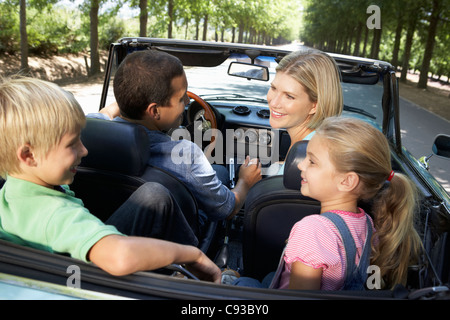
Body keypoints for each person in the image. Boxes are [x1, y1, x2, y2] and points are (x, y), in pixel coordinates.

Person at [0, 76, 221, 282]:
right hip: (86, 281)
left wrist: (119, 107)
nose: (84, 150)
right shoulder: (54, 216)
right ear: (28, 155)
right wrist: (192, 255)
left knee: (154, 195)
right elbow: (121, 256)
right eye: (72, 144)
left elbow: (105, 112)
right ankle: (189, 275)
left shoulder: (14, 189)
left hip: (67, 270)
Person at [234, 117, 422, 290]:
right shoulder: (367, 222)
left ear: (347, 181)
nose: (300, 165)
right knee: (268, 278)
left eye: (312, 161)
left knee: (242, 283)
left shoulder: (312, 230)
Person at [90, 50, 261, 232]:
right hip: (178, 236)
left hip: (106, 222)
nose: (188, 101)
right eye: (181, 98)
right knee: (219, 170)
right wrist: (245, 181)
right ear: (154, 111)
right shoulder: (185, 154)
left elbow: (106, 112)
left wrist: (131, 98)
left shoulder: (90, 130)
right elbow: (227, 209)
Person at [266, 49, 343, 175]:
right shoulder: (315, 143)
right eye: (273, 88)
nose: (273, 103)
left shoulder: (307, 157)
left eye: (289, 96)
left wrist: (246, 184)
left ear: (315, 106)